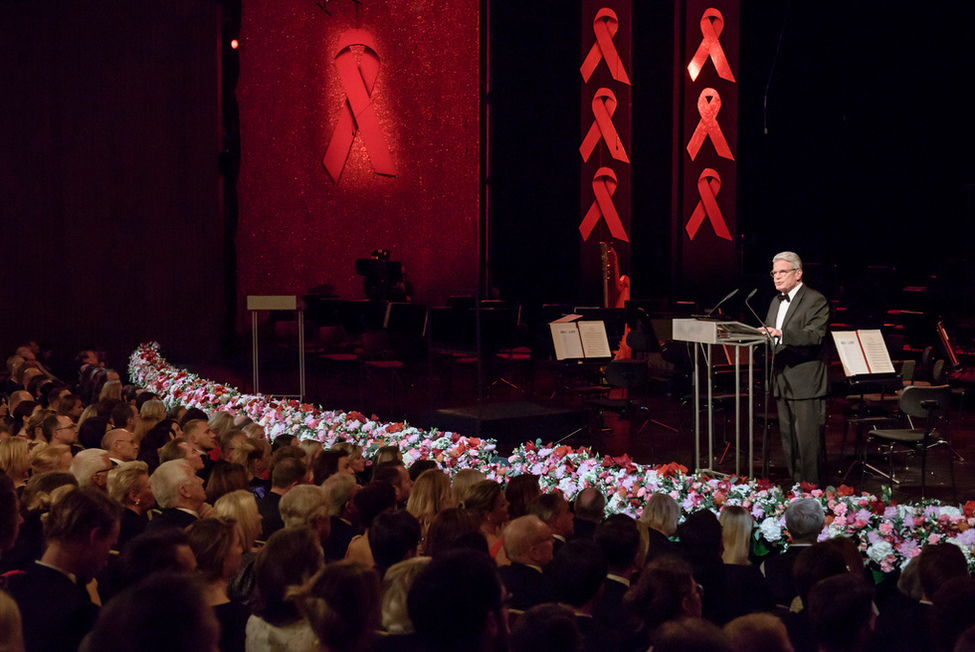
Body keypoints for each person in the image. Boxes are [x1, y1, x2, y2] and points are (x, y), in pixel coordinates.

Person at [6, 487, 121, 652]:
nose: (107, 561)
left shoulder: (12, 587)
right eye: (110, 545)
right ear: (94, 536)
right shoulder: (80, 614)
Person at [763, 251, 829, 485]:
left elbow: (814, 336)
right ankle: (796, 489)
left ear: (798, 274)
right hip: (782, 379)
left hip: (805, 381)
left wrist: (781, 333)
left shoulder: (815, 300)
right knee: (789, 440)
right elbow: (772, 333)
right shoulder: (775, 301)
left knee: (808, 443)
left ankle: (813, 493)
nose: (777, 277)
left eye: (783, 272)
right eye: (774, 273)